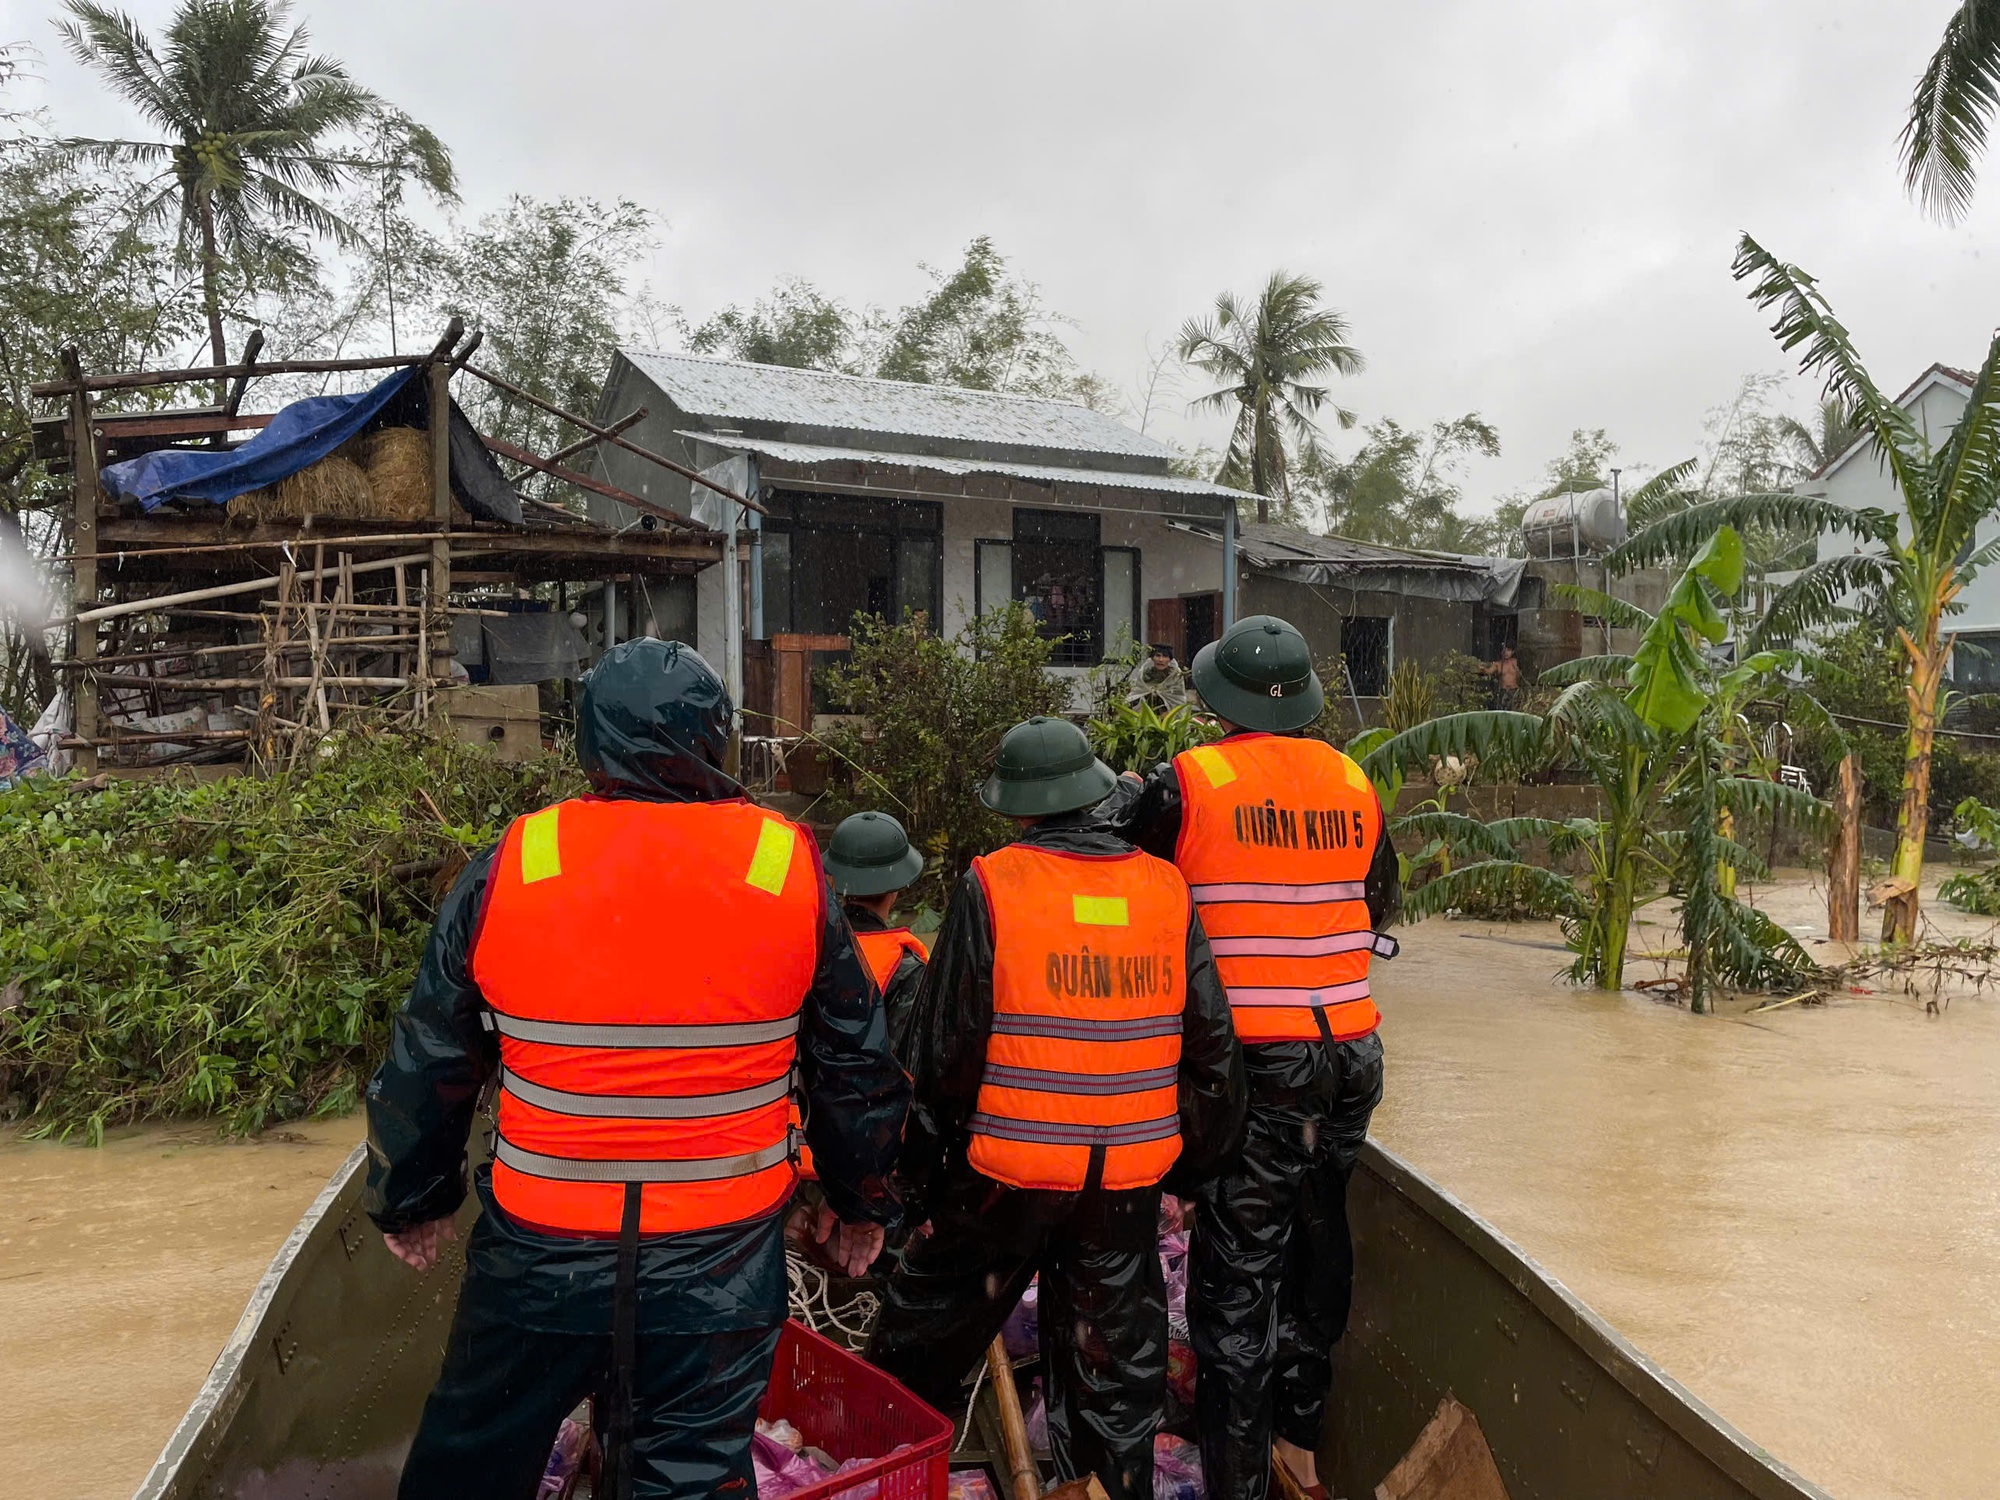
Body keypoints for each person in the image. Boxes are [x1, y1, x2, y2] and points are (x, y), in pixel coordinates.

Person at [364, 639, 909, 1500]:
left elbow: (430, 1053)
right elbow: (853, 1064)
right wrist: (860, 1202)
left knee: (471, 1461)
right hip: (718, 1263)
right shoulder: (786, 865)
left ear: (590, 745)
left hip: (541, 1253)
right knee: (685, 1479)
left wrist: (411, 1199)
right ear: (717, 741)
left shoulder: (518, 860)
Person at [868, 716, 1245, 1500]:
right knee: (1113, 1389)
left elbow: (943, 1062)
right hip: (1122, 1192)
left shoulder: (992, 884)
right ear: (1096, 795)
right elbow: (1213, 1055)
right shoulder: (1163, 888)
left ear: (1018, 809)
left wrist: (919, 1193)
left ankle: (890, 1470)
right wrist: (1189, 1178)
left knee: (917, 1351)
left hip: (1005, 1186)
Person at [1102, 615, 1399, 1500]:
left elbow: (1120, 884)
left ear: (1214, 701)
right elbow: (1376, 903)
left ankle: (1238, 1484)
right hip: (1351, 1054)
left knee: (1237, 1289)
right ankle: (1301, 1449)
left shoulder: (1188, 783)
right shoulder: (1353, 779)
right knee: (1316, 1252)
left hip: (1257, 1072)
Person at [824, 810, 929, 1055]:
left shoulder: (812, 950)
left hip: (816, 1090)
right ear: (895, 891)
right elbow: (909, 1058)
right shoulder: (907, 968)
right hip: (877, 1091)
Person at [1127, 642, 1189, 710]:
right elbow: (1137, 692)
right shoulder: (1145, 674)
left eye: (1165, 656)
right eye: (1157, 655)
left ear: (1170, 659)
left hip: (1168, 713)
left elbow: (1178, 699)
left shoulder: (1175, 676)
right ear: (1152, 658)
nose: (1160, 660)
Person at [1480, 643, 1522, 709]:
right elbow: (1489, 671)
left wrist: (1518, 671)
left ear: (1512, 652)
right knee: (1503, 709)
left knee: (1515, 709)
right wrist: (1483, 669)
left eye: (1508, 650)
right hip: (1504, 690)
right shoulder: (1498, 664)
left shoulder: (1515, 662)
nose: (1506, 653)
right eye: (1504, 651)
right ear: (1501, 652)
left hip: (1514, 690)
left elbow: (1521, 675)